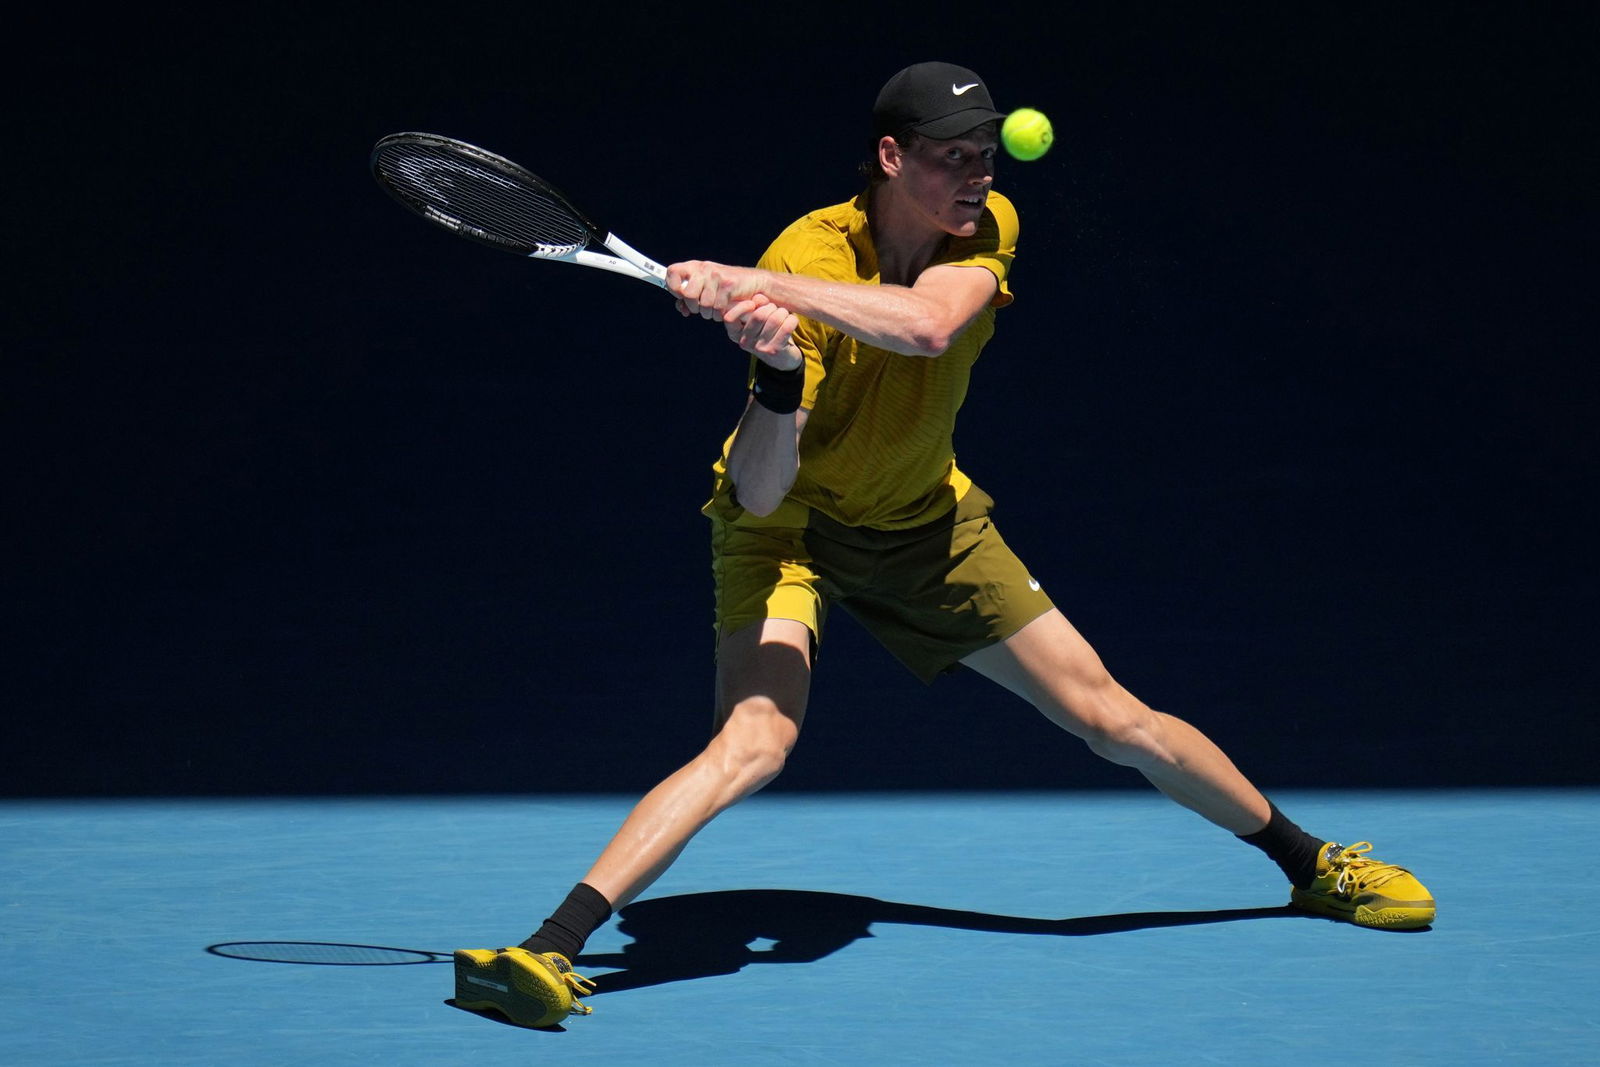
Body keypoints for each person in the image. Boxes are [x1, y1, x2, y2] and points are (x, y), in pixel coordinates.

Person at [451, 61, 1436, 1030]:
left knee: (1113, 719)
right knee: (753, 741)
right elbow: (757, 489)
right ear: (889, 155)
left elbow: (925, 328)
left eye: (985, 155)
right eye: (950, 157)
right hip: (788, 534)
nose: (977, 176)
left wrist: (752, 282)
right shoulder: (812, 253)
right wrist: (780, 372)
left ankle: (1312, 867)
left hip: (928, 525)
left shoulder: (985, 227)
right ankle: (546, 948)